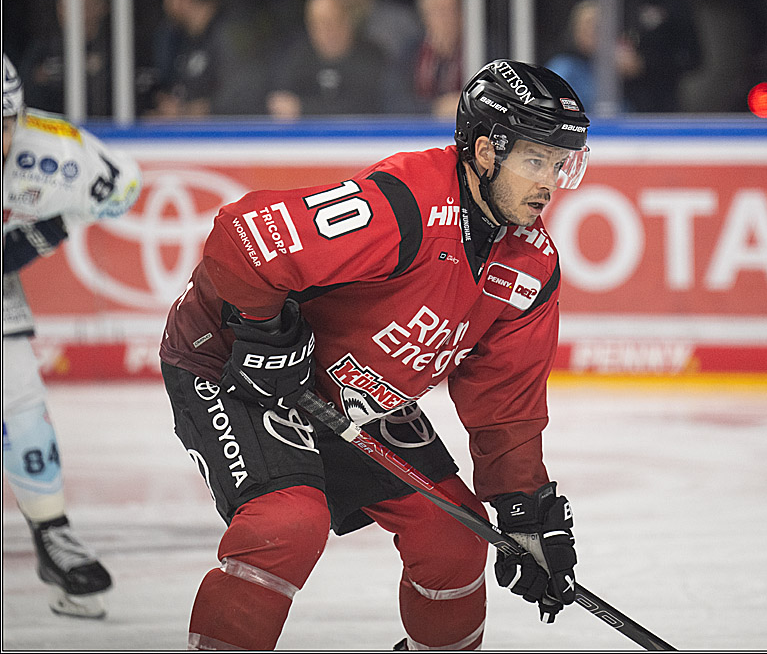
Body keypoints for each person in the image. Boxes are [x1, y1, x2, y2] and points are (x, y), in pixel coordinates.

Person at [159, 59, 590, 650]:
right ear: (487, 153)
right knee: (288, 522)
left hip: (349, 392)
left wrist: (525, 509)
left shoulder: (530, 267)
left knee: (454, 539)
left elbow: (504, 408)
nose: (549, 181)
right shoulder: (406, 203)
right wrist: (266, 328)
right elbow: (242, 239)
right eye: (535, 161)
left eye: (560, 164)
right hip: (234, 362)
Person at [2, 53, 142, 618]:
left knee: (23, 406)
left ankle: (51, 534)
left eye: (3, 125)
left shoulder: (54, 152)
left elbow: (123, 185)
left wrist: (49, 230)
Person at [148, 0, 263, 118]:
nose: (165, 2)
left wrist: (182, 113)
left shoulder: (228, 37)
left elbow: (240, 101)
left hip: (222, 138)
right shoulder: (181, 39)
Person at [265, 0, 385, 119]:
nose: (327, 30)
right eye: (318, 24)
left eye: (332, 21)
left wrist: (304, 108)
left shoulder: (371, 57)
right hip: (305, 137)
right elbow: (281, 99)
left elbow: (366, 106)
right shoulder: (297, 56)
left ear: (347, 20)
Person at [19, 0, 113, 117]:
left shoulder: (117, 53)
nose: (74, 13)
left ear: (103, 7)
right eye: (66, 3)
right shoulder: (41, 53)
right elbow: (25, 103)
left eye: (85, 4)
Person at [392, 0, 464, 117]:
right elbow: (394, 102)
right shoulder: (410, 53)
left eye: (452, 9)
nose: (447, 18)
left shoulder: (482, 50)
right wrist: (435, 108)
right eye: (438, 11)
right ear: (424, 16)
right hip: (421, 136)